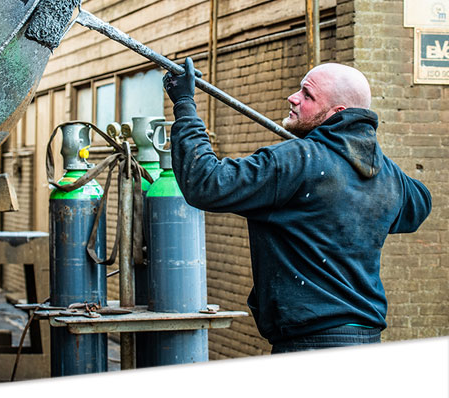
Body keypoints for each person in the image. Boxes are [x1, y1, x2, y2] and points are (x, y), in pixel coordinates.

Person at [162, 58, 432, 354]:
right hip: (366, 341)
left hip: (310, 346)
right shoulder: (387, 176)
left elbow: (206, 183)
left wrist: (185, 104)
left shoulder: (295, 162)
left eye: (307, 95)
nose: (293, 97)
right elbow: (421, 202)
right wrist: (367, 151)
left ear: (337, 113)